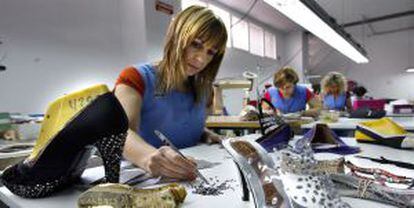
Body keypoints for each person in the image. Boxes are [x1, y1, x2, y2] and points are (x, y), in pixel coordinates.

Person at [114, 6, 227, 181]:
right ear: (176, 37)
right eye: (196, 44)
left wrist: (204, 133)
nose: (201, 59)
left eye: (210, 52)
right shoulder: (135, 78)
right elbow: (120, 133)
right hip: (147, 179)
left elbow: (182, 124)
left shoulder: (204, 90)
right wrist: (148, 157)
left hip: (191, 177)